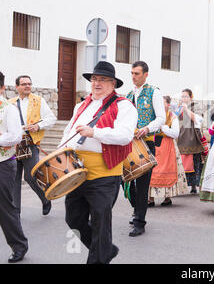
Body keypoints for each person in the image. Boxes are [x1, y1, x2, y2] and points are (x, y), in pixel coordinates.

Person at [60, 61, 137, 264]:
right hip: (76, 171)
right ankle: (106, 250)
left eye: (103, 80)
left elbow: (125, 136)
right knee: (73, 219)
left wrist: (95, 132)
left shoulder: (124, 106)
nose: (97, 83)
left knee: (100, 223)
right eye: (94, 79)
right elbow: (68, 132)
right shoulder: (81, 105)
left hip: (105, 172)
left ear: (113, 84)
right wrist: (58, 154)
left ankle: (98, 257)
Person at [125, 61, 165, 237]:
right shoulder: (128, 94)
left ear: (146, 75)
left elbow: (161, 118)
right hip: (128, 143)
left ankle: (140, 221)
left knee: (142, 184)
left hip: (145, 143)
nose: (133, 76)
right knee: (124, 181)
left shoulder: (154, 92)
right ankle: (137, 209)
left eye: (137, 73)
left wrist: (147, 128)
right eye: (132, 73)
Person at [9, 75, 56, 216]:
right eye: (24, 84)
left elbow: (51, 119)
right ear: (17, 87)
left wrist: (38, 125)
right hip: (14, 145)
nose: (27, 86)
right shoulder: (10, 103)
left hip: (30, 144)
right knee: (14, 179)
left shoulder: (39, 101)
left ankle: (45, 200)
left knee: (32, 176)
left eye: (29, 83)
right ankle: (15, 212)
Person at [0, 71, 29, 263]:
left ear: (2, 88)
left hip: (3, 164)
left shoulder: (8, 109)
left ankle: (19, 245)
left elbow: (15, 136)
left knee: (5, 207)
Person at [148, 96, 188, 207]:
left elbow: (175, 133)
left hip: (168, 145)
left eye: (163, 103)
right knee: (152, 170)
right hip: (154, 144)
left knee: (167, 170)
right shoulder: (153, 116)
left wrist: (164, 128)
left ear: (168, 105)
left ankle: (167, 197)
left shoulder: (172, 117)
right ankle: (150, 198)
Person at [177, 89, 204, 194]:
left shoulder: (196, 106)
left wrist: (186, 109)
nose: (183, 98)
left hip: (193, 135)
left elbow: (197, 119)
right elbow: (175, 117)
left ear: (191, 97)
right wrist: (179, 109)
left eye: (186, 96)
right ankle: (183, 185)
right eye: (182, 96)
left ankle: (194, 185)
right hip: (183, 135)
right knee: (182, 161)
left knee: (195, 161)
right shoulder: (181, 106)